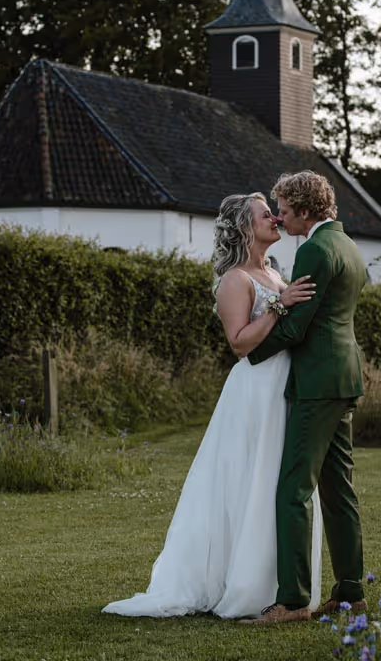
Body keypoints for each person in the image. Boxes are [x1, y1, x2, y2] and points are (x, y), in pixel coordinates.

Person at [103, 192, 322, 619]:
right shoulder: (234, 281)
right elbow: (239, 343)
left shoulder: (276, 273)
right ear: (245, 227)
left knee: (275, 483)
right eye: (266, 214)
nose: (276, 218)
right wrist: (280, 306)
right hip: (254, 390)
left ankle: (275, 579)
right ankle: (241, 583)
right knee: (248, 480)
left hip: (283, 387)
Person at [242, 171, 367, 625]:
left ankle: (292, 600)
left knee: (293, 490)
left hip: (317, 383)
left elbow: (298, 325)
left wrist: (249, 353)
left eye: (285, 209)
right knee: (339, 491)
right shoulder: (348, 246)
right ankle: (351, 592)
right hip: (344, 377)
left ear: (305, 210)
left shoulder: (315, 249)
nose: (280, 216)